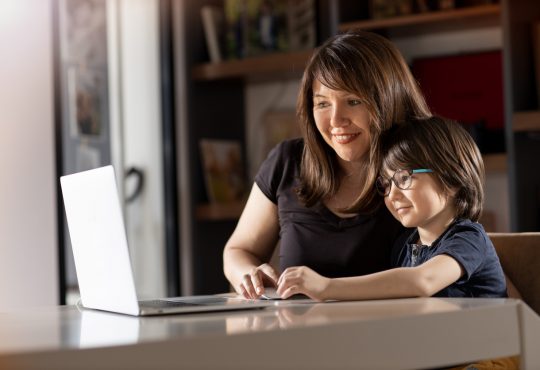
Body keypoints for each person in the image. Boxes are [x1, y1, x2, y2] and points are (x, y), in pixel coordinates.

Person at [223, 29, 431, 299]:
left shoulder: (423, 170)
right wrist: (247, 274)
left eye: (353, 101)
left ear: (390, 99)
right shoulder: (287, 161)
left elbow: (442, 268)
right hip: (299, 337)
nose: (335, 120)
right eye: (322, 104)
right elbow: (238, 251)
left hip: (389, 335)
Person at [276, 116, 508, 301]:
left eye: (404, 178)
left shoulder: (468, 238)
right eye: (385, 183)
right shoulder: (405, 247)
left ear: (452, 180)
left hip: (486, 357)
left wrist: (326, 287)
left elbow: (422, 281)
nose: (392, 194)